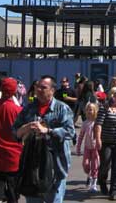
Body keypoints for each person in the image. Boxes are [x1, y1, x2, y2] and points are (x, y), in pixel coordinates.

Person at [13, 75, 75, 203]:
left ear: (52, 90)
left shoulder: (62, 108)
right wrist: (25, 128)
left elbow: (70, 132)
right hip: (32, 164)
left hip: (55, 165)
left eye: (43, 87)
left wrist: (48, 131)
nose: (39, 90)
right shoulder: (29, 109)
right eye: (37, 87)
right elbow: (15, 132)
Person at [76, 102, 99, 192]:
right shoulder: (85, 123)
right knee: (85, 164)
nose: (89, 111)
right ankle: (89, 175)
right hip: (87, 147)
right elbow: (81, 136)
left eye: (91, 109)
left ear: (95, 111)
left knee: (95, 165)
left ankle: (94, 183)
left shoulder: (97, 123)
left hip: (95, 148)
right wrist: (78, 148)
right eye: (88, 109)